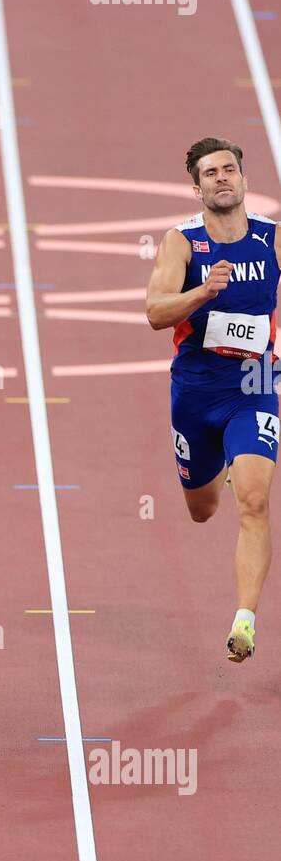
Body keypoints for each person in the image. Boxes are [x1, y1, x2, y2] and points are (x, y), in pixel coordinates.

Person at [147, 137, 281, 661]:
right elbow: (156, 313)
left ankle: (244, 620)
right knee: (203, 511)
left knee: (255, 501)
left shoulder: (271, 239)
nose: (222, 178)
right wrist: (202, 293)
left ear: (244, 180)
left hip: (254, 386)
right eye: (211, 173)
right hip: (196, 393)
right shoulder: (182, 243)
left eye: (230, 169)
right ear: (197, 187)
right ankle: (218, 462)